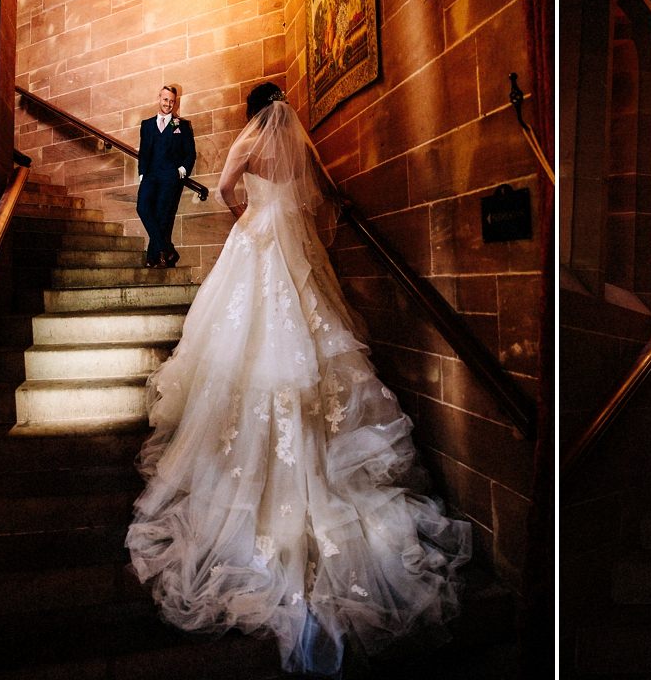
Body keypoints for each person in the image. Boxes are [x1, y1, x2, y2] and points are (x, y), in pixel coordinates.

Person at [126, 82, 471, 677]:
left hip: (257, 245)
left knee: (243, 349)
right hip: (294, 252)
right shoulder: (297, 148)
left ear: (250, 112)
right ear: (283, 110)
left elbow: (229, 189)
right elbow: (313, 202)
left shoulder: (248, 142)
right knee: (313, 339)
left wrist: (251, 216)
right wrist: (281, 214)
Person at [137, 85, 196, 267]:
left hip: (170, 177)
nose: (168, 104)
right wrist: (141, 172)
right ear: (159, 98)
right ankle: (168, 250)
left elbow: (190, 153)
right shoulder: (146, 125)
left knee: (162, 215)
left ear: (175, 102)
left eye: (172, 101)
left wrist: (183, 169)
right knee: (142, 207)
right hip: (150, 175)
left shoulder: (182, 125)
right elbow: (144, 151)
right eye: (165, 100)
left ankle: (153, 256)